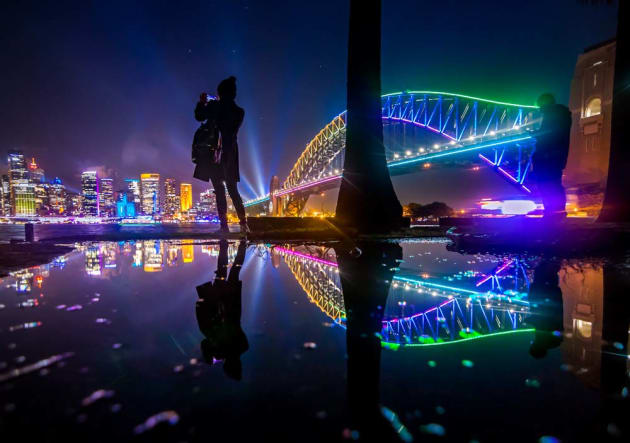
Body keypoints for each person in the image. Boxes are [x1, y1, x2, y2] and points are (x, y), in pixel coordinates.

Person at [195, 76, 249, 234]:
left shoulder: (214, 107)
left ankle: (223, 226)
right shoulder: (240, 112)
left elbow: (199, 116)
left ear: (220, 93)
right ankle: (243, 224)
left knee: (219, 189)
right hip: (230, 152)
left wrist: (203, 102)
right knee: (233, 190)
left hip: (214, 153)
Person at [195, 240, 248, 380]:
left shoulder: (243, 347)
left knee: (234, 269)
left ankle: (242, 244)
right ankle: (226, 244)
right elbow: (204, 343)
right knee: (224, 269)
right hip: (218, 305)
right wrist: (212, 357)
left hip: (231, 305)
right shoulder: (220, 352)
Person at [533, 93, 572, 221]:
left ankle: (552, 213)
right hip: (555, 156)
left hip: (548, 157)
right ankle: (556, 212)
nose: (539, 109)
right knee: (553, 184)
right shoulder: (562, 114)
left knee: (547, 184)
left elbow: (550, 136)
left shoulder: (552, 115)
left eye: (540, 105)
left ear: (545, 103)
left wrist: (537, 134)